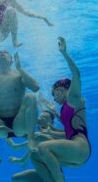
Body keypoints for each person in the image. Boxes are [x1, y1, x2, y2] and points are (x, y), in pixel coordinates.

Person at [30, 37, 91, 182]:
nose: (53, 96)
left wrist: (64, 53)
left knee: (44, 147)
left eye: (54, 92)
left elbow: (76, 74)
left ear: (62, 89)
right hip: (76, 153)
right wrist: (52, 123)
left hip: (80, 148)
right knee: (35, 155)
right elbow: (69, 129)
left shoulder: (73, 98)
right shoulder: (66, 107)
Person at [0, 50, 40, 161]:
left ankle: (30, 139)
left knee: (31, 97)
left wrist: (21, 69)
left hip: (19, 123)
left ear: (11, 61)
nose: (2, 53)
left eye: (5, 53)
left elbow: (35, 87)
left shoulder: (19, 75)